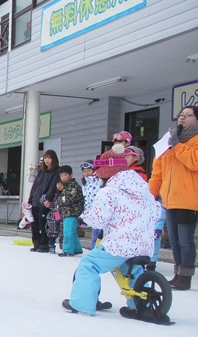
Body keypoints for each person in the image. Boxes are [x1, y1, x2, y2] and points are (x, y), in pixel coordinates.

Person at [63, 170, 160, 318]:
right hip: (143, 246)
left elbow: (99, 217)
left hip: (121, 244)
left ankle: (82, 304)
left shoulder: (110, 191)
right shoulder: (146, 194)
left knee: (89, 264)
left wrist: (83, 220)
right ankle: (142, 306)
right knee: (131, 270)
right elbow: (157, 213)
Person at [149, 105, 198, 290]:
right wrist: (151, 193)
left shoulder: (192, 141)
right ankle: (178, 273)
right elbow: (158, 171)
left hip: (188, 199)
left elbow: (194, 162)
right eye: (181, 115)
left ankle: (186, 276)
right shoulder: (169, 140)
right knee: (174, 241)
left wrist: (177, 145)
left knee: (186, 240)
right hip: (169, 200)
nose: (183, 118)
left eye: (188, 115)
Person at [27, 150, 60, 253]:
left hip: (45, 202)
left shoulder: (57, 171)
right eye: (45, 158)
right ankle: (36, 243)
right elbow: (35, 186)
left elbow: (53, 186)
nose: (47, 160)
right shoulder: (41, 171)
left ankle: (44, 244)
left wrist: (48, 199)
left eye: (49, 158)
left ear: (53, 159)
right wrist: (30, 199)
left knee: (43, 224)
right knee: (35, 224)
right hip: (35, 201)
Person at [56, 165, 84, 257]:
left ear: (71, 175)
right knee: (72, 231)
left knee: (67, 231)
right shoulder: (65, 186)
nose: (63, 178)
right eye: (61, 176)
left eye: (65, 175)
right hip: (66, 212)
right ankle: (76, 248)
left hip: (73, 212)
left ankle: (67, 250)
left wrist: (62, 200)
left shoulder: (74, 186)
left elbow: (71, 198)